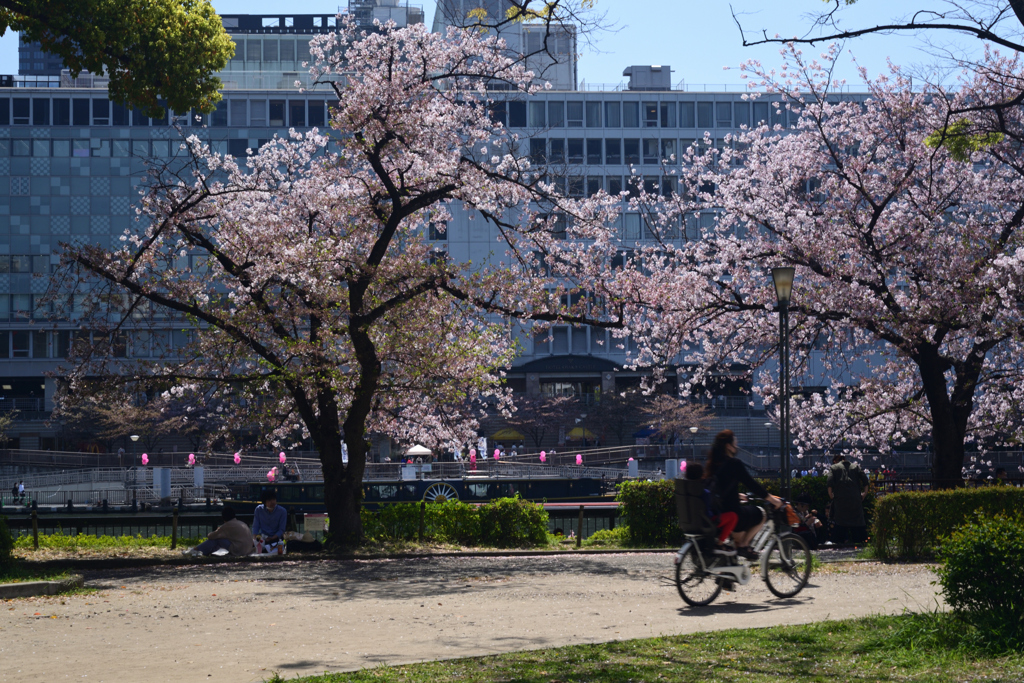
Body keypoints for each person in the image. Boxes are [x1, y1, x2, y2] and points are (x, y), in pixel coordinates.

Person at [704, 429, 782, 560]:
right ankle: (744, 546)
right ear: (728, 446)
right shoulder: (735, 464)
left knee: (737, 536)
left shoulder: (713, 464)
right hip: (734, 514)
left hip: (718, 513)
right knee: (761, 513)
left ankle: (728, 571)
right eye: (735, 443)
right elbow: (752, 485)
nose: (737, 446)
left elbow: (718, 488)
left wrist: (738, 495)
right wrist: (773, 500)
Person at [685, 462, 736, 556]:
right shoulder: (704, 492)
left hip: (690, 522)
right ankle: (719, 544)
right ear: (702, 475)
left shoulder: (685, 491)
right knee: (733, 516)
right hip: (706, 522)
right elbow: (709, 510)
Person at [827, 454, 871, 543]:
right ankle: (861, 543)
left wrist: (831, 494)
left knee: (840, 524)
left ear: (836, 461)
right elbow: (865, 481)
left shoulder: (834, 467)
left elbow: (829, 482)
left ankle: (839, 543)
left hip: (840, 500)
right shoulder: (855, 467)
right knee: (858, 525)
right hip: (855, 500)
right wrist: (864, 494)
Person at [183, 507, 255, 557]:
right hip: (248, 549)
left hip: (239, 550)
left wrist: (218, 530)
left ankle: (197, 550)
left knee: (217, 540)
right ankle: (202, 551)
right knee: (218, 541)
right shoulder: (240, 523)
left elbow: (211, 536)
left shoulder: (227, 525)